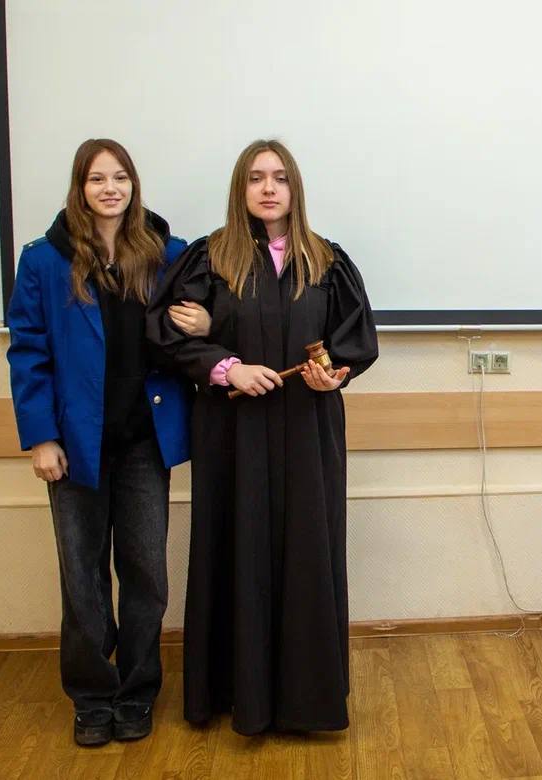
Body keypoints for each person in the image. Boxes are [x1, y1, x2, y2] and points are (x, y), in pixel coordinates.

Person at [146, 139, 378, 735]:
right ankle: (235, 694)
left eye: (279, 177)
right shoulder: (209, 259)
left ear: (294, 187)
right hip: (233, 431)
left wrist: (333, 374)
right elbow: (168, 334)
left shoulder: (326, 261)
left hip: (307, 426)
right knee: (236, 544)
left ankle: (305, 701)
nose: (268, 188)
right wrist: (227, 367)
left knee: (307, 548)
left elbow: (353, 340)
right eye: (255, 178)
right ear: (240, 189)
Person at [7, 138, 208, 746]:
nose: (110, 188)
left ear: (133, 184)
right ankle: (92, 695)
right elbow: (28, 352)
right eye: (97, 179)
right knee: (83, 576)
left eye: (120, 177)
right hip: (75, 446)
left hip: (145, 441)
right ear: (80, 187)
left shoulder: (168, 253)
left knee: (146, 573)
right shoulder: (44, 260)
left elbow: (204, 319)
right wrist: (41, 437)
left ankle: (137, 691)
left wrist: (206, 321)